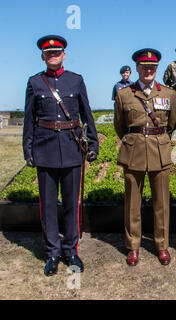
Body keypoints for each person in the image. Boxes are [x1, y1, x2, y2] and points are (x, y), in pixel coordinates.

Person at [22, 35, 99, 276]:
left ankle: (71, 250)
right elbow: (28, 119)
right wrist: (28, 149)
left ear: (64, 54)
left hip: (71, 148)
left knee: (71, 205)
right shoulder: (35, 82)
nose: (53, 55)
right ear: (43, 56)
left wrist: (93, 143)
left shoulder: (76, 81)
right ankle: (52, 253)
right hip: (44, 150)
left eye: (57, 52)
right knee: (47, 206)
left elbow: (87, 113)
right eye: (49, 53)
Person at [114, 48, 176, 267]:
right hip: (134, 152)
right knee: (132, 203)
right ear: (137, 69)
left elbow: (171, 124)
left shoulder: (169, 94)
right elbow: (120, 126)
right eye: (144, 66)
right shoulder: (124, 94)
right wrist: (135, 140)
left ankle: (162, 245)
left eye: (152, 67)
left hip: (160, 152)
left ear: (156, 68)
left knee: (162, 203)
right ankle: (133, 246)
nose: (148, 70)